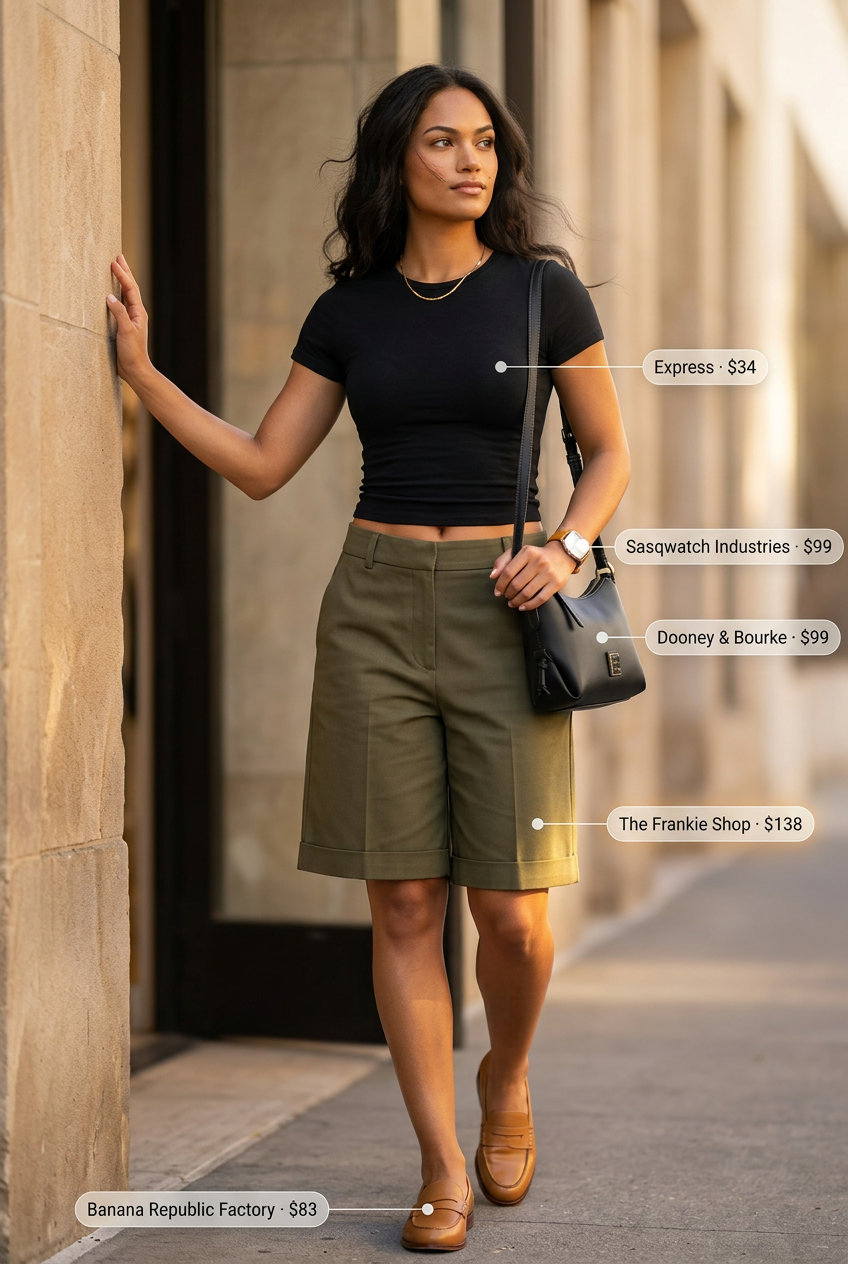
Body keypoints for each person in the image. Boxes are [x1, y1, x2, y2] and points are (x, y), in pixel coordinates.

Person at [107, 63, 630, 1253]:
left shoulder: (543, 296)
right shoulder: (349, 313)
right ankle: (441, 1168)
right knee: (400, 902)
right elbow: (259, 462)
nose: (469, 160)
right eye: (442, 140)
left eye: (485, 142)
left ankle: (506, 1072)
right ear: (397, 157)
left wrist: (567, 548)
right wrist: (141, 377)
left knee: (509, 917)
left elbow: (605, 453)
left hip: (510, 602)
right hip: (375, 605)